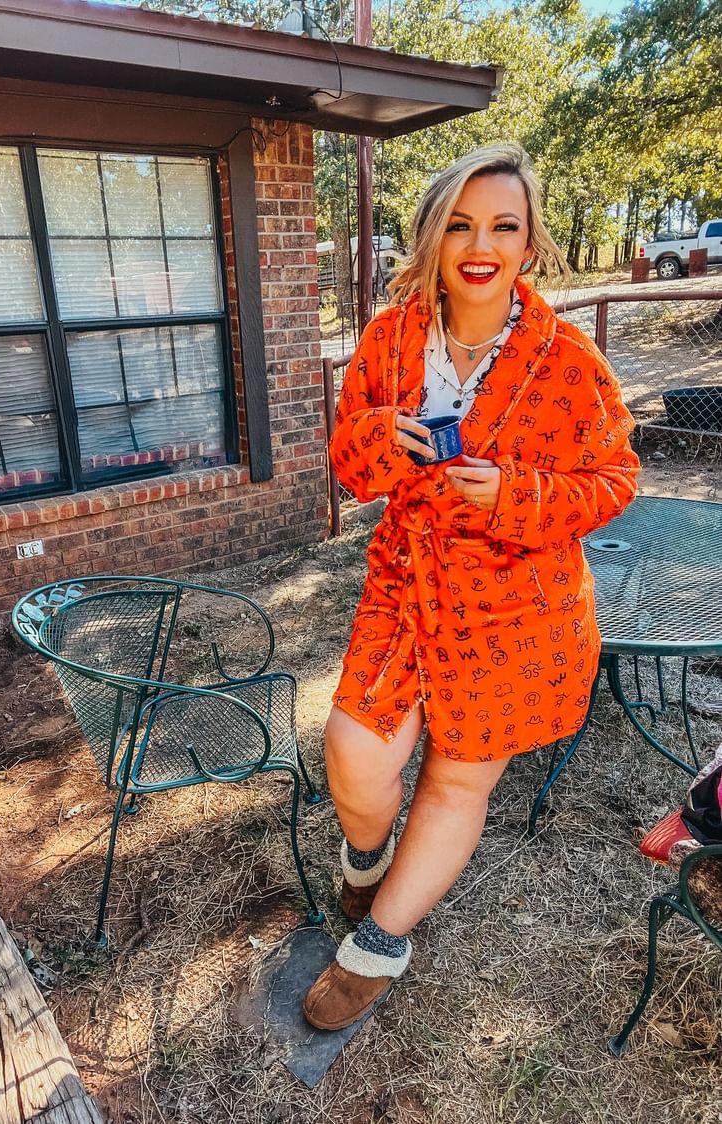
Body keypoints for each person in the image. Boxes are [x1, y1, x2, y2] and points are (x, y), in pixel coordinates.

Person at [303, 143, 641, 1031]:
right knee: (354, 752)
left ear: (528, 243)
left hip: (515, 605)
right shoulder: (389, 339)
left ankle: (379, 942)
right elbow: (349, 467)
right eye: (459, 225)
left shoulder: (566, 361)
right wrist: (384, 434)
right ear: (432, 237)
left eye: (502, 226)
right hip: (405, 581)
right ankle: (366, 856)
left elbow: (614, 479)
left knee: (456, 781)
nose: (480, 245)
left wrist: (517, 494)